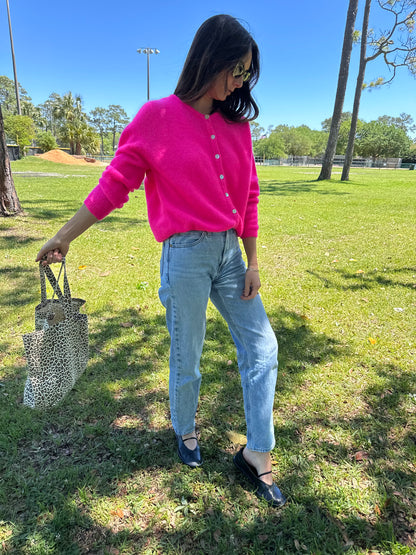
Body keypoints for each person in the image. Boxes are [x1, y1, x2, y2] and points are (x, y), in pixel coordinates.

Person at [36, 14, 286, 508]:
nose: (240, 82)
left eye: (246, 74)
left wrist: (253, 259)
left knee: (263, 348)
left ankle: (258, 452)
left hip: (232, 253)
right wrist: (65, 235)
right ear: (208, 59)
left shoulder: (237, 127)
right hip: (186, 255)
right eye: (235, 69)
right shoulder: (155, 118)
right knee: (186, 355)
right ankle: (185, 430)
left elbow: (250, 194)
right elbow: (114, 185)